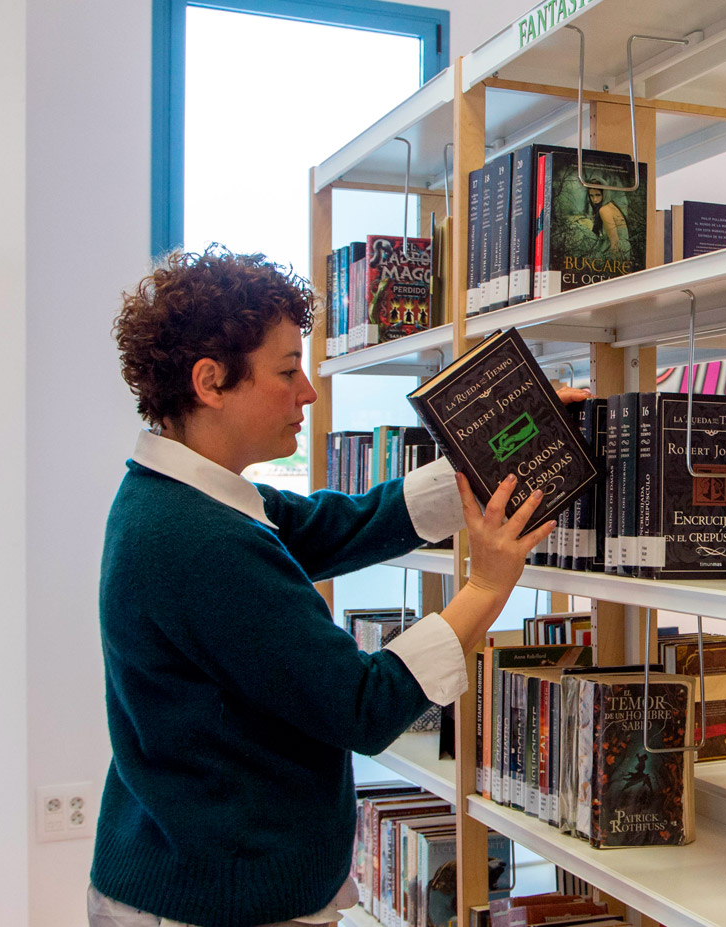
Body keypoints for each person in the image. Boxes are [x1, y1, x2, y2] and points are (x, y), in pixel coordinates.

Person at [88, 247, 587, 927]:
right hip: (219, 904)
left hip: (190, 874)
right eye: (288, 371)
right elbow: (365, 705)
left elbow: (330, 526)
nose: (308, 392)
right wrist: (488, 586)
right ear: (210, 381)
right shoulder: (199, 541)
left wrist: (491, 447)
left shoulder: (172, 498)